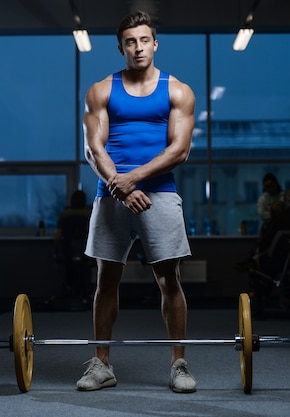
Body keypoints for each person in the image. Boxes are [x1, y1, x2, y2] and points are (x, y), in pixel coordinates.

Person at [78, 10, 197, 393]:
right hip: (112, 192)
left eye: (144, 40)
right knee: (106, 279)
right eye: (130, 41)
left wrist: (132, 179)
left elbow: (179, 151)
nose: (138, 47)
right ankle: (101, 364)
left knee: (168, 279)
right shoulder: (101, 90)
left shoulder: (178, 90)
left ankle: (178, 364)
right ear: (121, 48)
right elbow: (93, 148)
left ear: (155, 43)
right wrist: (119, 185)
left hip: (159, 193)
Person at [54, 190, 92, 305]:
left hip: (68, 252)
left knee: (69, 275)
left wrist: (56, 251)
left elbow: (58, 237)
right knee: (85, 275)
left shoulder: (65, 214)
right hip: (86, 252)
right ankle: (85, 297)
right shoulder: (89, 213)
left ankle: (70, 297)